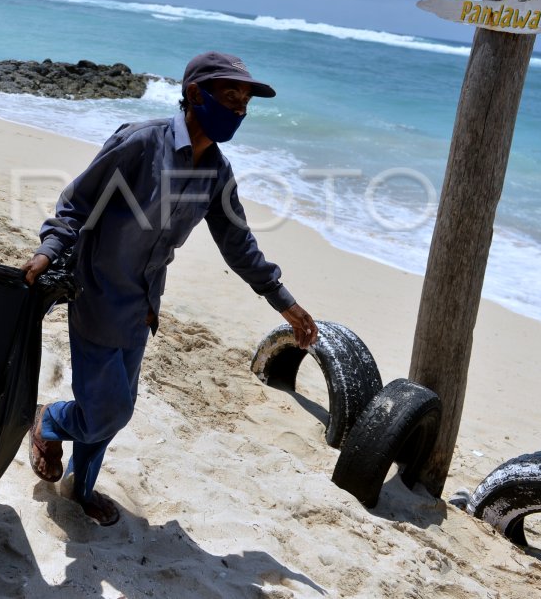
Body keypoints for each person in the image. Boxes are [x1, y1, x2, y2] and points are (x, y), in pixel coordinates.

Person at [20, 51, 319, 526]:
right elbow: (76, 204)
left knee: (118, 408)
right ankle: (50, 420)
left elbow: (238, 244)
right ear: (196, 94)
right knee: (107, 411)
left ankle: (80, 487)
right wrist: (49, 250)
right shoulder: (140, 144)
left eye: (245, 101)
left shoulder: (216, 172)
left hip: (142, 308)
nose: (240, 109)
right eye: (230, 96)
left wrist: (284, 301)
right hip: (95, 295)